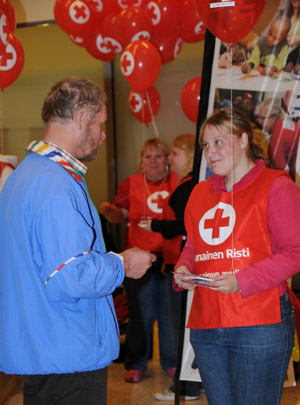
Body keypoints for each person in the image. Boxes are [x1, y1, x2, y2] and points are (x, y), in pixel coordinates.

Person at [0, 77, 156, 405]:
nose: (102, 134)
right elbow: (70, 274)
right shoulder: (53, 182)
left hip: (42, 349)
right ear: (82, 118)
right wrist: (123, 263)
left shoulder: (24, 177)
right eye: (100, 123)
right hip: (66, 353)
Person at [173, 108, 300, 405]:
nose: (210, 152)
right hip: (207, 325)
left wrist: (241, 280)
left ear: (243, 140)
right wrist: (184, 266)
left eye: (218, 142)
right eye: (205, 144)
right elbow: (194, 246)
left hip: (259, 324)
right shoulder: (199, 193)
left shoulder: (277, 185)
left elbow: (295, 252)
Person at [100, 138, 177, 383]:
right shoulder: (131, 184)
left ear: (167, 160)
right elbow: (118, 215)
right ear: (141, 161)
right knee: (139, 314)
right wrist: (108, 211)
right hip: (138, 261)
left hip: (170, 258)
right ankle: (137, 364)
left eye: (159, 156)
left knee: (168, 314)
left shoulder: (179, 183)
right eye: (148, 156)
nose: (153, 161)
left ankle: (172, 363)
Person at [141, 134, 202, 401]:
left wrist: (156, 226)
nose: (170, 158)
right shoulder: (189, 185)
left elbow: (186, 227)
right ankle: (189, 384)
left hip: (183, 267)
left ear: (189, 156)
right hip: (178, 264)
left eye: (175, 152)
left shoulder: (189, 187)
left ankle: (185, 387)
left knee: (181, 328)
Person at [256, 97, 300, 180]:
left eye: (263, 118)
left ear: (275, 116)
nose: (259, 121)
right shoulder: (283, 124)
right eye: (259, 117)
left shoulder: (277, 137)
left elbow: (280, 172)